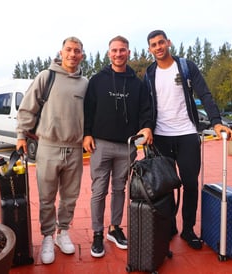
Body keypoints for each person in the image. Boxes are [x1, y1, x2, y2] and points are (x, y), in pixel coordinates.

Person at [143, 30, 232, 250]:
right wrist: (146, 127)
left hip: (186, 135)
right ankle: (170, 225)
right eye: (154, 45)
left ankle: (188, 229)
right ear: (150, 49)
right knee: (164, 186)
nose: (158, 47)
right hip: (161, 137)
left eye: (161, 42)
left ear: (168, 43)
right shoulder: (150, 73)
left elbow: (205, 93)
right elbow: (146, 104)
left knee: (190, 184)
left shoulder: (185, 67)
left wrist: (216, 121)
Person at [16, 37, 88, 265]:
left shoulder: (85, 83)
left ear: (82, 56)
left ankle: (62, 232)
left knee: (70, 197)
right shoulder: (46, 77)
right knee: (46, 197)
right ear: (61, 52)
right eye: (69, 49)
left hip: (75, 149)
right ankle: (47, 236)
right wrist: (21, 135)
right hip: (48, 146)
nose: (72, 54)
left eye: (77, 51)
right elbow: (28, 107)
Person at [83, 35, 153, 258]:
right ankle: (96, 234)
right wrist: (86, 134)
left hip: (127, 145)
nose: (118, 54)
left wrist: (147, 127)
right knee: (98, 191)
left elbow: (145, 110)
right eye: (114, 50)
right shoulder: (97, 80)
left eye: (122, 50)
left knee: (120, 189)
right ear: (108, 53)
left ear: (129, 53)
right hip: (100, 144)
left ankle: (114, 228)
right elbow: (88, 109)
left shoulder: (137, 83)